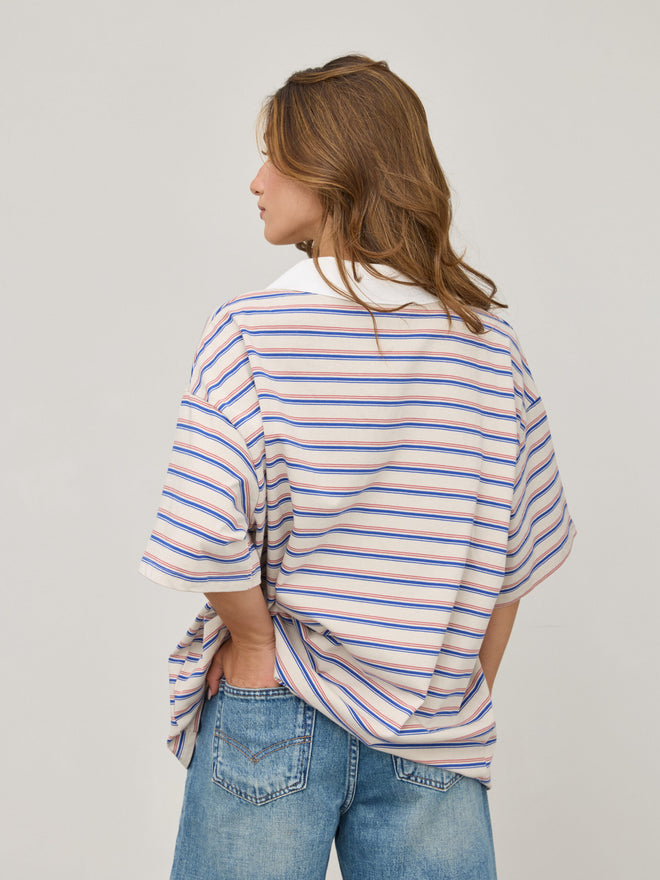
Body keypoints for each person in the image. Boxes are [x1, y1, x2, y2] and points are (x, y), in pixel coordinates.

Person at [140, 54, 575, 880]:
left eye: (276, 158)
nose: (257, 181)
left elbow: (200, 530)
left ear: (332, 170)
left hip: (276, 702)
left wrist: (254, 637)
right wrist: (454, 688)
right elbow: (517, 554)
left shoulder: (251, 333)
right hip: (434, 722)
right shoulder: (489, 349)